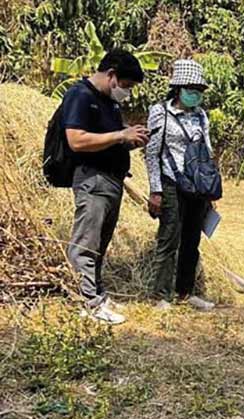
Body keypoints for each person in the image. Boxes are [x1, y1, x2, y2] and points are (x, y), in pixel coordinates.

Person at [64, 49, 148, 325]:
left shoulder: (109, 103)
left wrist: (129, 139)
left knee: (99, 243)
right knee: (86, 244)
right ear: (111, 75)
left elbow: (108, 137)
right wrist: (120, 134)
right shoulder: (81, 95)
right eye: (126, 85)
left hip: (112, 181)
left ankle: (96, 293)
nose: (127, 92)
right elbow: (76, 140)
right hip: (93, 179)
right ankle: (86, 302)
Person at [144, 59, 216, 312]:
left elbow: (207, 150)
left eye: (199, 89)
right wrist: (155, 190)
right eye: (191, 88)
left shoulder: (201, 116)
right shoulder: (160, 113)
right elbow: (152, 153)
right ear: (178, 88)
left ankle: (186, 292)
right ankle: (160, 295)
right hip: (171, 183)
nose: (195, 93)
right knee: (169, 239)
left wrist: (209, 185)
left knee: (192, 240)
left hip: (196, 186)